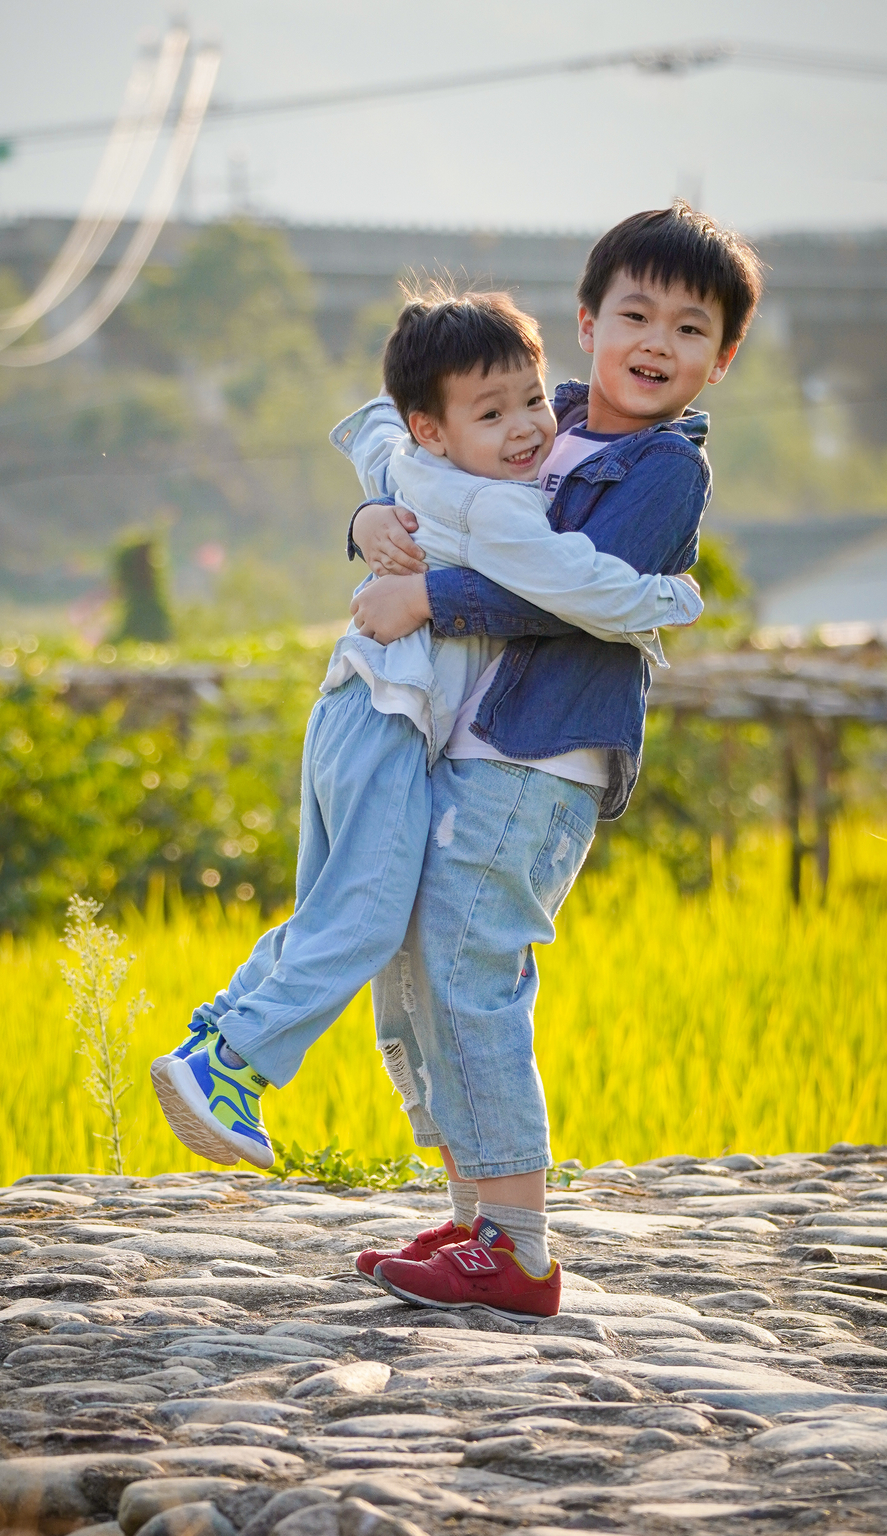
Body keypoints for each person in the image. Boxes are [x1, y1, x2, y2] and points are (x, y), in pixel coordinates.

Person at [150, 282, 703, 1174]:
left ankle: (221, 1031)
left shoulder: (440, 462)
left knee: (344, 907)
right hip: (390, 719)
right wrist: (665, 599)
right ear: (435, 429)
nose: (526, 427)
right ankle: (230, 1064)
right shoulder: (499, 504)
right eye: (494, 413)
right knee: (367, 917)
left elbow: (372, 427)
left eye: (531, 399)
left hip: (357, 709)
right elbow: (576, 585)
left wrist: (376, 506)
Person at [345, 201, 762, 1320]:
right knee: (423, 961)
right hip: (468, 736)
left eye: (688, 330)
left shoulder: (664, 470)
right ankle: (475, 1215)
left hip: (542, 757)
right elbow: (433, 474)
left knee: (474, 966)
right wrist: (369, 527)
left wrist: (424, 595)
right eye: (635, 313)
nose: (655, 342)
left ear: (719, 360)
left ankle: (518, 1250)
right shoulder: (546, 418)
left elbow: (570, 599)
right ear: (584, 321)